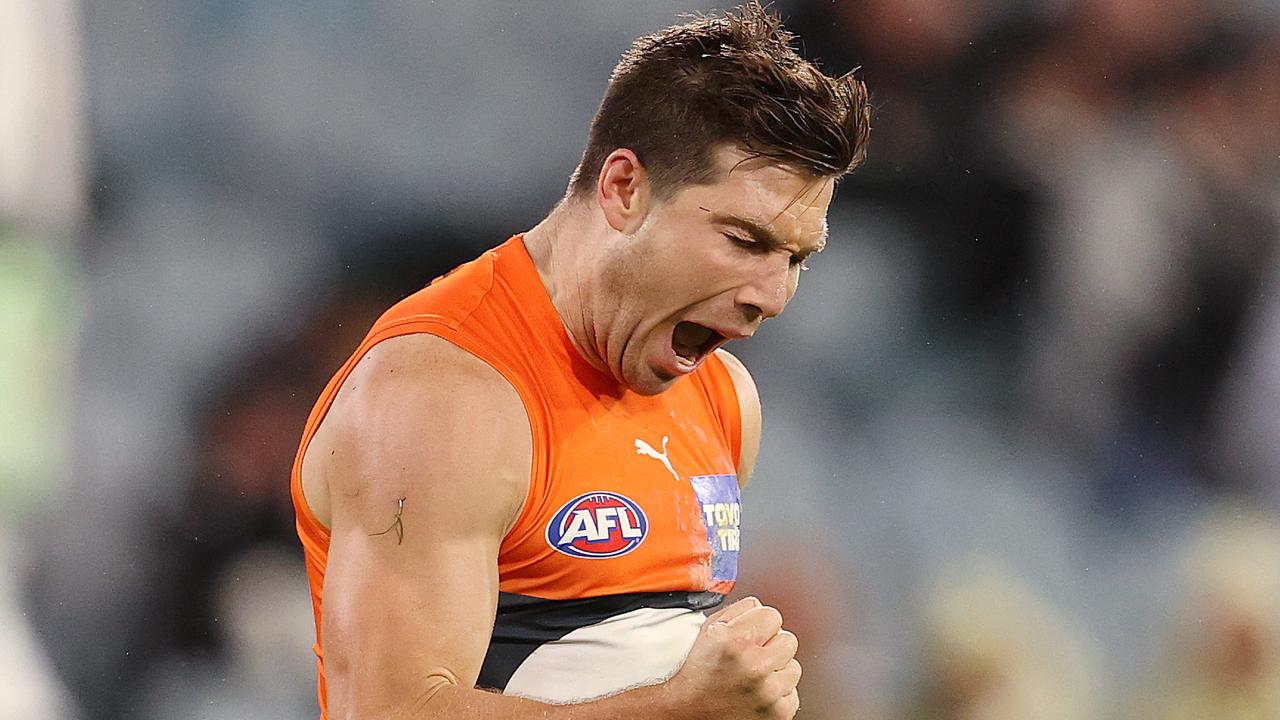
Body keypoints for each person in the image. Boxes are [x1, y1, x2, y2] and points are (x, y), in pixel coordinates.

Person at [290, 3, 871, 718]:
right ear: (624, 189)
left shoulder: (722, 400)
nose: (773, 296)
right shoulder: (442, 397)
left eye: (796, 259)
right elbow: (386, 714)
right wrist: (673, 708)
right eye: (746, 241)